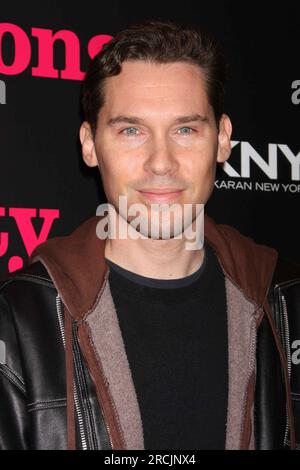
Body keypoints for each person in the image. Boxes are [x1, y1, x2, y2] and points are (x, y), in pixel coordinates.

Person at [0, 19, 299, 450]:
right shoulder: (17, 321)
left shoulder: (287, 305)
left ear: (223, 140)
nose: (161, 162)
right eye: (131, 130)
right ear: (89, 144)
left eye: (185, 129)